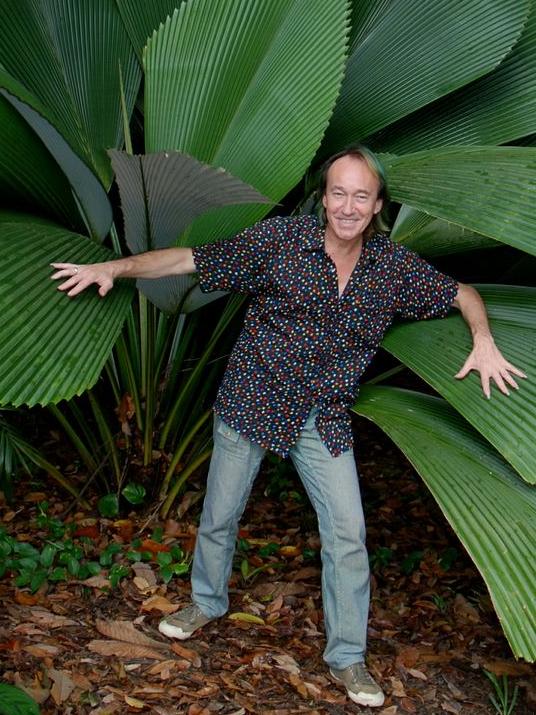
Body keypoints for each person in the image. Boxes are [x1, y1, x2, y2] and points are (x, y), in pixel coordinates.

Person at [51, 146, 525, 708]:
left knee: (348, 534)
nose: (347, 206)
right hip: (253, 399)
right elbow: (188, 260)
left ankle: (347, 659)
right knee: (221, 513)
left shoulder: (394, 269)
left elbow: (462, 293)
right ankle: (206, 602)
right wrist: (114, 267)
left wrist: (484, 338)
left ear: (377, 206)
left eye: (361, 196)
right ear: (324, 197)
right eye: (338, 192)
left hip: (321, 416)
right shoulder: (279, 241)